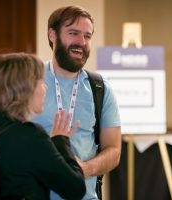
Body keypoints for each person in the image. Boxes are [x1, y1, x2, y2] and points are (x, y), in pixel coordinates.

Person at [32, 5, 121, 200]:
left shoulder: (100, 88)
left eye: (87, 36)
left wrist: (86, 169)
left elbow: (114, 150)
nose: (81, 42)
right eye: (73, 33)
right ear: (52, 35)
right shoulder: (30, 81)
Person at [0, 52, 86, 200]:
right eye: (41, 82)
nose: (45, 89)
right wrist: (61, 141)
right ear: (24, 89)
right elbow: (76, 189)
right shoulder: (31, 136)